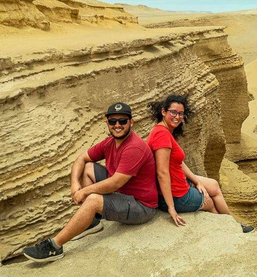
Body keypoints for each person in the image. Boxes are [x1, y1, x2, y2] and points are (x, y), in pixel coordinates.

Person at [23, 102, 158, 262]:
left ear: (131, 122)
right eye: (112, 121)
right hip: (123, 194)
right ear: (106, 122)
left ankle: (55, 247)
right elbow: (82, 158)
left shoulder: (134, 148)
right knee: (87, 168)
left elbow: (115, 183)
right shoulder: (110, 142)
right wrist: (75, 184)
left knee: (93, 199)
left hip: (141, 206)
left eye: (122, 121)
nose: (117, 125)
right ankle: (92, 222)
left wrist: (85, 191)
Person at [146, 94, 254, 233]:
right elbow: (162, 173)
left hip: (179, 183)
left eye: (180, 114)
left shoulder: (163, 131)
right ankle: (230, 229)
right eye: (173, 112)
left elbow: (178, 162)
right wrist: (171, 208)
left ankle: (232, 222)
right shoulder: (162, 135)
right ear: (163, 112)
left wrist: (196, 181)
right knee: (210, 202)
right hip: (177, 195)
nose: (177, 117)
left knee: (213, 185)